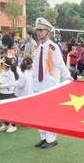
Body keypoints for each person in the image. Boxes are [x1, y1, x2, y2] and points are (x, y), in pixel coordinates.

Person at [31, 17, 72, 149]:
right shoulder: (38, 47)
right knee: (38, 113)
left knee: (48, 113)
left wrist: (68, 78)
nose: (39, 32)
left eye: (41, 30)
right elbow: (35, 67)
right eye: (37, 30)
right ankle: (43, 137)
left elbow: (60, 64)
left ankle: (51, 139)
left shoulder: (53, 47)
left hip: (49, 85)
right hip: (38, 85)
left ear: (48, 31)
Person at [0, 57, 19, 133]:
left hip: (9, 94)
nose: (1, 65)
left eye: (3, 64)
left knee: (10, 110)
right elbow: (1, 80)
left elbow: (11, 84)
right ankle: (5, 124)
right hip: (2, 93)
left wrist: (1, 86)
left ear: (6, 65)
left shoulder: (11, 73)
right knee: (3, 110)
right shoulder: (2, 72)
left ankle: (13, 126)